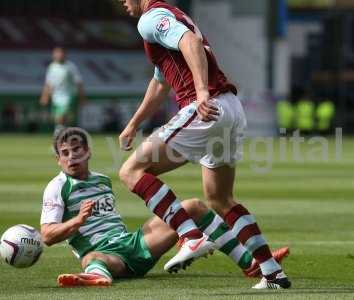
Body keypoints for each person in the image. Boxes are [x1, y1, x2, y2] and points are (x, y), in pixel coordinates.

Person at [117, 0, 291, 289]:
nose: (122, 2)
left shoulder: (150, 18)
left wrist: (200, 93)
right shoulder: (173, 16)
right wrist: (134, 124)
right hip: (231, 108)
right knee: (220, 199)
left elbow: (190, 43)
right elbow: (161, 82)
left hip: (206, 108)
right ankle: (271, 272)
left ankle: (192, 236)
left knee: (131, 171)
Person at [40, 127, 289, 287]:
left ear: (87, 152)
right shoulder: (57, 187)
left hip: (132, 243)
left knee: (193, 206)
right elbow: (48, 236)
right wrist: (78, 221)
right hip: (107, 255)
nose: (71, 157)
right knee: (92, 258)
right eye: (65, 153)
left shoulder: (102, 180)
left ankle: (250, 263)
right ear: (57, 159)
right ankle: (98, 275)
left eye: (76, 150)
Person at [39, 47, 86, 135]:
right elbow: (48, 83)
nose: (59, 55)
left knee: (62, 116)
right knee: (58, 119)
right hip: (56, 96)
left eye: (61, 53)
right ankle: (62, 135)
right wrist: (45, 96)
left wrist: (82, 97)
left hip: (68, 95)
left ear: (65, 54)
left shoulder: (70, 67)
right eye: (57, 53)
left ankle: (58, 136)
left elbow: (79, 82)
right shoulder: (52, 67)